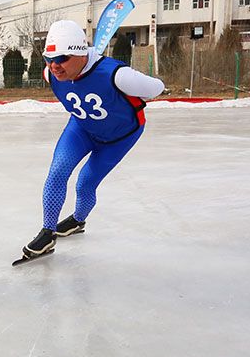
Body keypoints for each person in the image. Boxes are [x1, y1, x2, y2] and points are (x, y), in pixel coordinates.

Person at [19, 20, 164, 262]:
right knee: (57, 172)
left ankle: (77, 220)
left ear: (81, 54)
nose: (54, 66)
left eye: (62, 58)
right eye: (49, 58)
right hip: (81, 129)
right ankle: (47, 232)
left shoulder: (118, 75)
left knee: (85, 183)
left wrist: (133, 92)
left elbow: (157, 87)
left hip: (118, 138)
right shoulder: (50, 73)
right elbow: (58, 72)